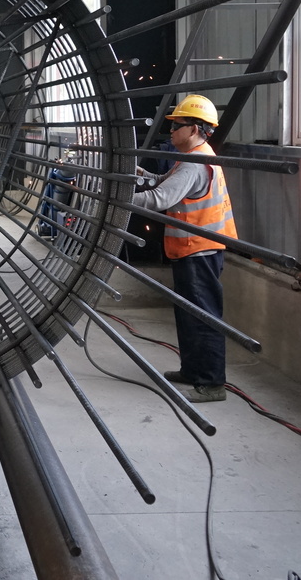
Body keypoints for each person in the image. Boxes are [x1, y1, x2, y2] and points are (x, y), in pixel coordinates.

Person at [132, 94, 237, 403]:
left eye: (176, 126)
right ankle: (192, 370)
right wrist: (142, 175)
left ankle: (212, 383)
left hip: (199, 251)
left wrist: (114, 198)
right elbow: (164, 182)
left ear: (193, 129)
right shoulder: (193, 156)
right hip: (194, 249)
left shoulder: (194, 164)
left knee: (203, 317)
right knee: (189, 314)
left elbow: (160, 199)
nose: (171, 132)